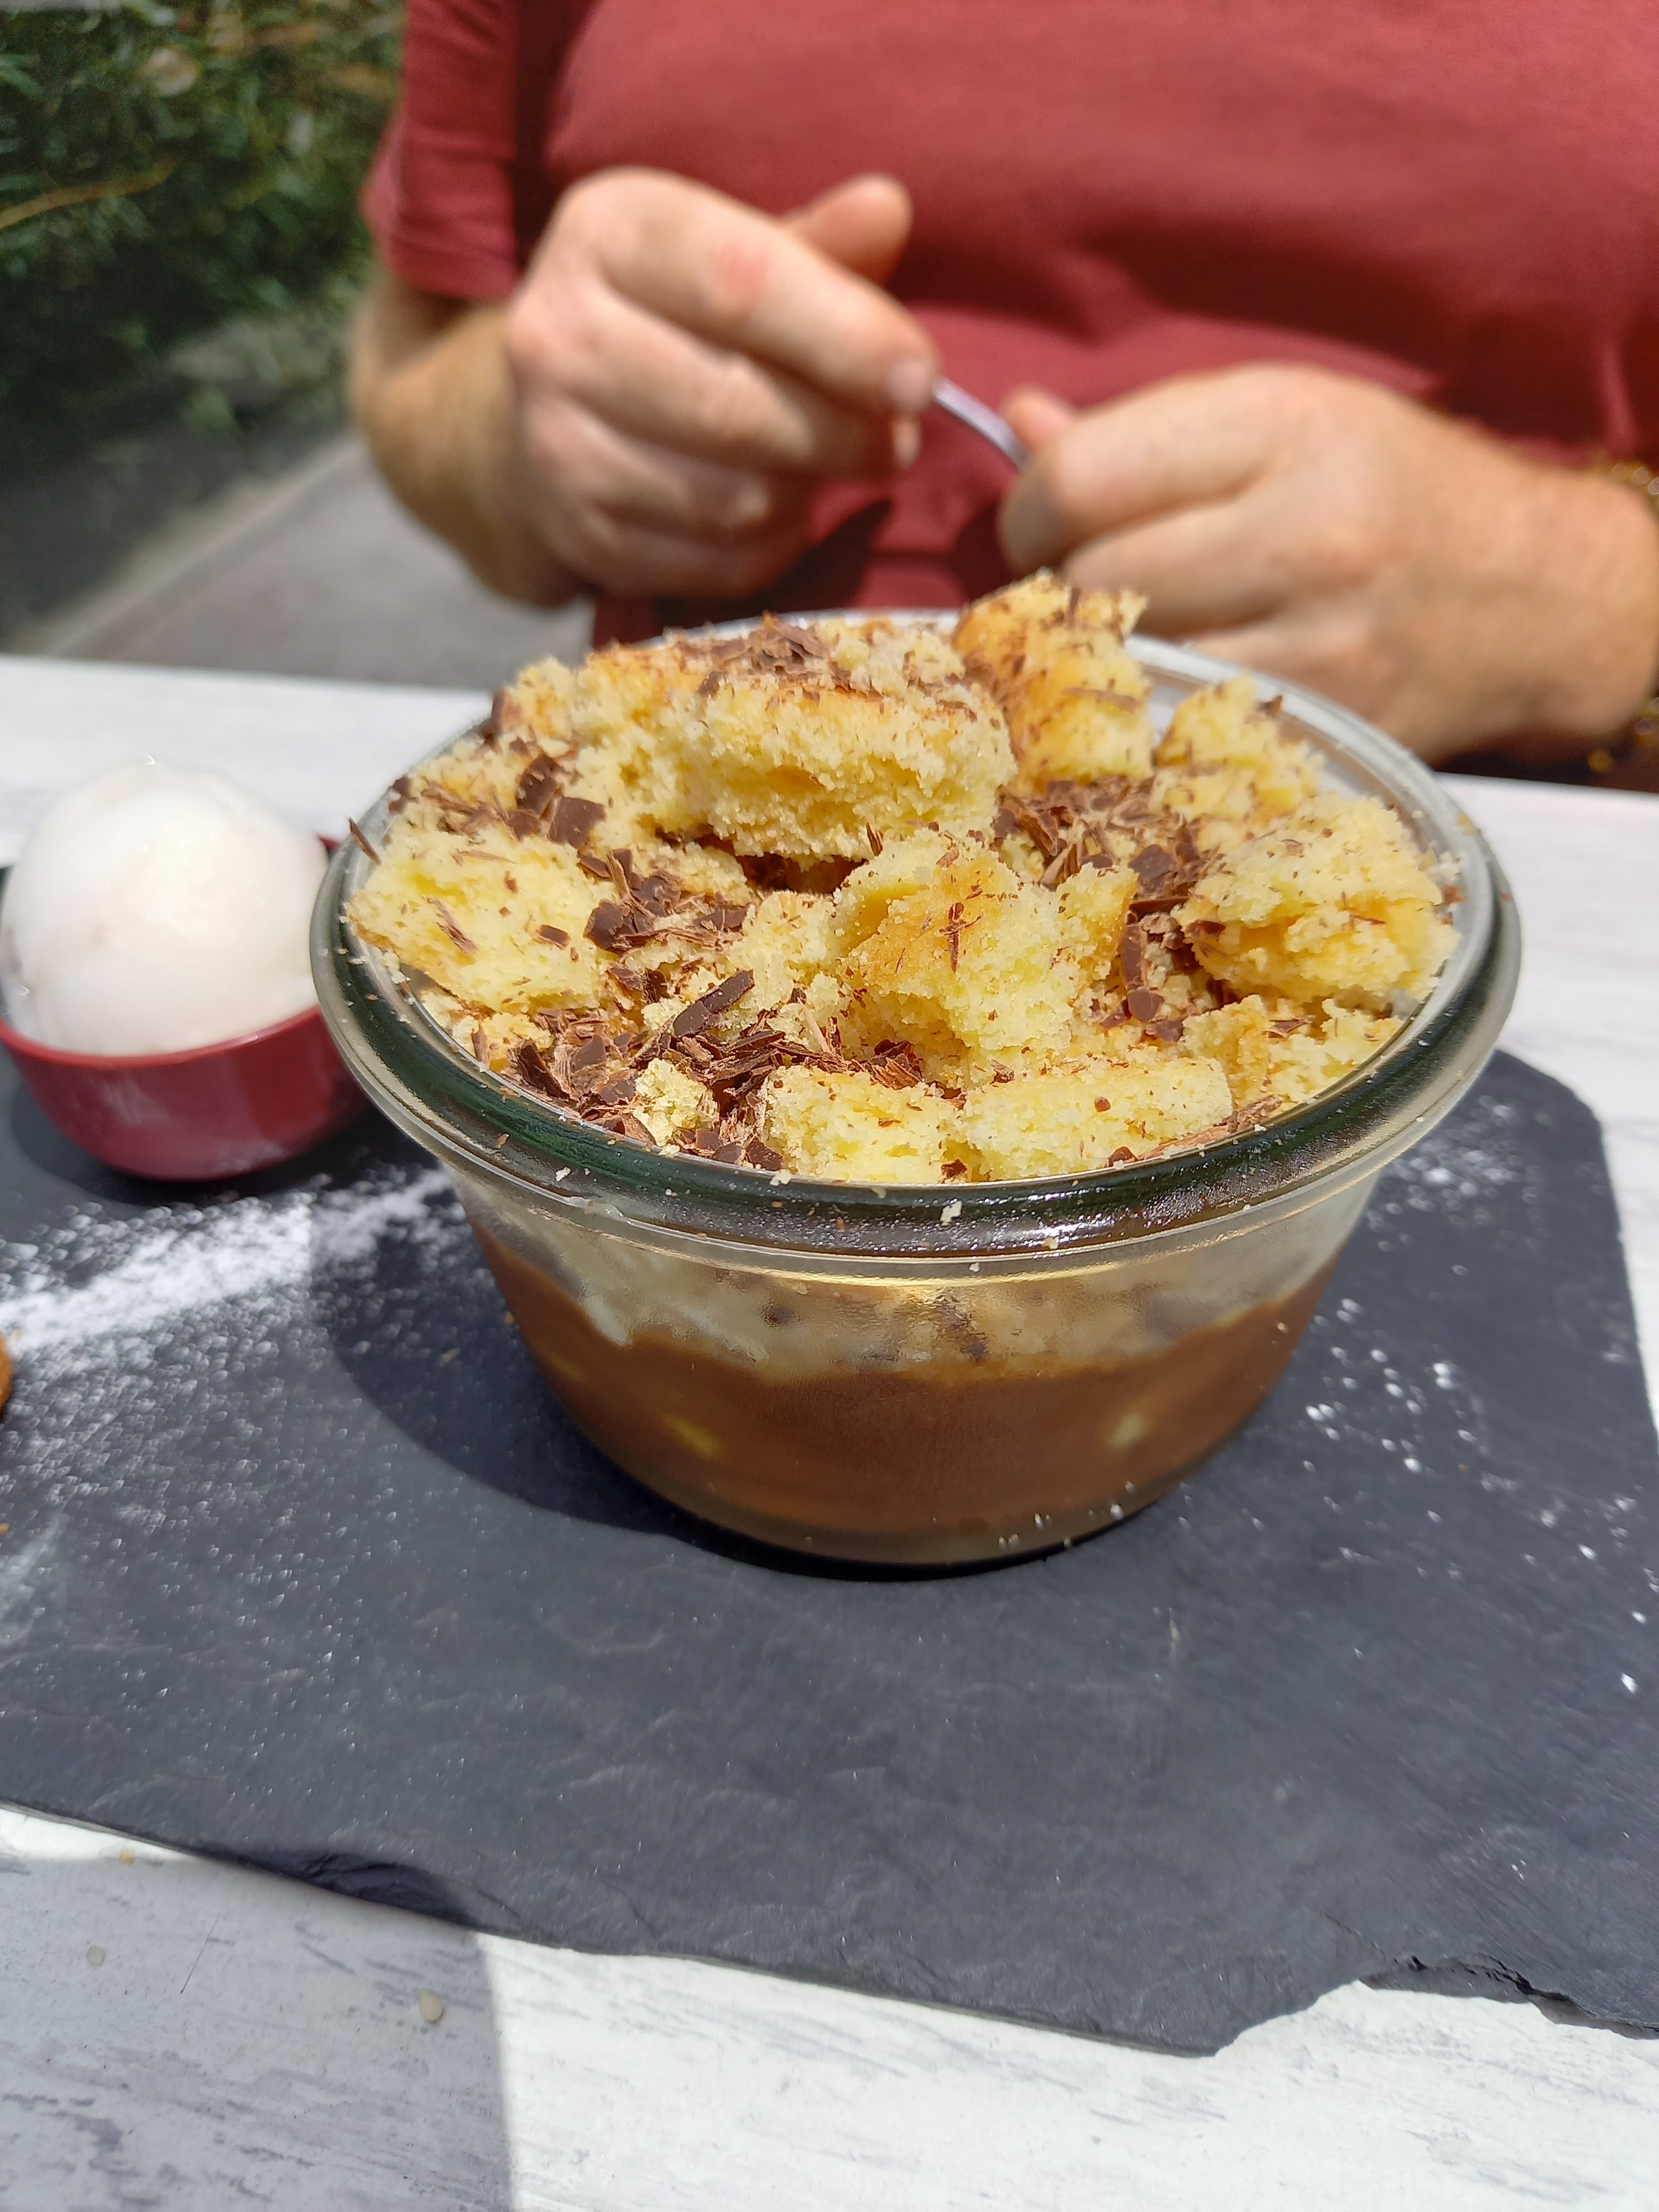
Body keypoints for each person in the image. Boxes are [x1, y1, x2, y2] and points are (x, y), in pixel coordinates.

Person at [350, 0, 1659, 782]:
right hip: (678, 944)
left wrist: (1593, 591)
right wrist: (522, 436)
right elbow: (417, 360)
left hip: (1511, 906)